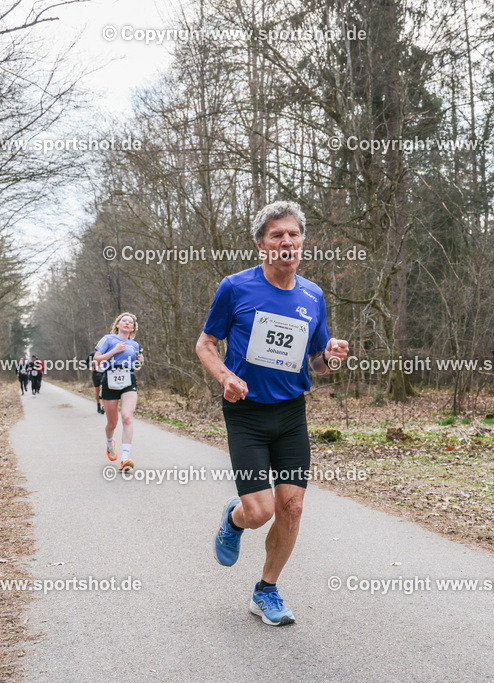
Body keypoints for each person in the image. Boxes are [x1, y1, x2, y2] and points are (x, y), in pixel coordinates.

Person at [196, 200, 348, 627]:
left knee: (292, 507)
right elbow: (205, 344)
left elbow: (316, 362)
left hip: (291, 413)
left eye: (293, 234)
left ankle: (266, 589)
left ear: (302, 242)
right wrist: (226, 376)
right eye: (276, 235)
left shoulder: (312, 295)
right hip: (245, 413)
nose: (286, 241)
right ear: (261, 245)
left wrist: (330, 357)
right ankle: (235, 517)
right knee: (260, 512)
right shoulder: (235, 288)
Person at [94, 313, 143, 471]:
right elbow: (96, 360)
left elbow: (136, 366)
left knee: (127, 417)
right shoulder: (108, 339)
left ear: (133, 328)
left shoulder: (134, 345)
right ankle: (110, 443)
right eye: (124, 321)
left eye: (131, 322)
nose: (127, 323)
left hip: (128, 379)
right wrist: (113, 351)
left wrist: (139, 363)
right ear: (117, 324)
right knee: (112, 423)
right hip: (110, 379)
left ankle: (125, 458)